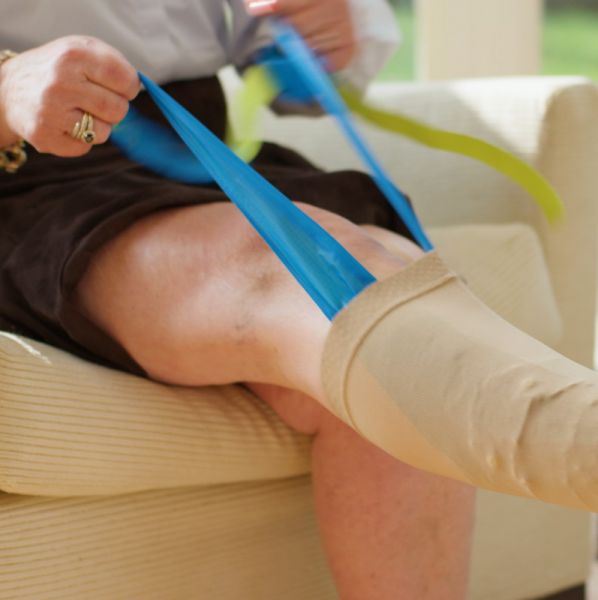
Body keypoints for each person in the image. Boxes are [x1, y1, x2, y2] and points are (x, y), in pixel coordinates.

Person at [0, 2, 475, 598]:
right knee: (369, 310)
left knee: (408, 319)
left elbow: (292, 59)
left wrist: (319, 36)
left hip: (198, 151)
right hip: (24, 172)